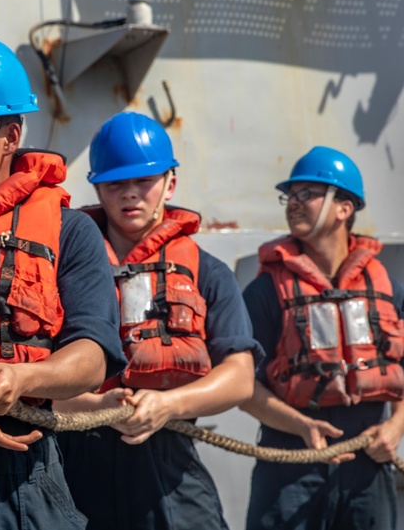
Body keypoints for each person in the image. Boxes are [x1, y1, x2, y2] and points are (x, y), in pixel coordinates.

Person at [0, 36, 124, 530]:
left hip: (19, 470)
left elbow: (92, 356)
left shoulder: (69, 232)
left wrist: (23, 378)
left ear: (10, 136)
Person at [55, 112, 260, 530]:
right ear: (97, 188)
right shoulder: (63, 266)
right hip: (78, 459)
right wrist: (94, 406)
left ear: (170, 183)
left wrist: (167, 405)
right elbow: (35, 375)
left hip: (173, 462)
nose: (130, 195)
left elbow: (240, 378)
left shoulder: (208, 271)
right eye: (115, 184)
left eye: (143, 182)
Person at [241, 146, 404, 530]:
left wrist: (395, 428)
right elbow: (242, 385)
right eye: (290, 196)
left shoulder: (388, 289)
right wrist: (301, 426)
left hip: (369, 465)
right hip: (289, 465)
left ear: (344, 208)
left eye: (307, 194)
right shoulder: (264, 292)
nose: (293, 204)